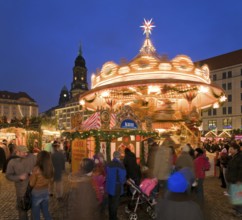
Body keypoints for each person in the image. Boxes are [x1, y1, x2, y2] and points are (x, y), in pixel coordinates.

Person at [5, 145, 36, 220]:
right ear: (17, 152)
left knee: (34, 210)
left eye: (26, 152)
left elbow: (40, 167)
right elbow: (8, 175)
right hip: (21, 191)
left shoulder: (33, 157)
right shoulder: (12, 161)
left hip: (34, 188)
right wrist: (19, 177)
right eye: (23, 152)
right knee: (22, 210)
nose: (26, 154)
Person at [29, 151, 54, 220]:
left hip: (36, 192)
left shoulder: (36, 169)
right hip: (46, 191)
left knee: (36, 214)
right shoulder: (51, 168)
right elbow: (51, 181)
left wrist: (30, 176)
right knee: (46, 212)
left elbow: (31, 183)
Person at [106, 151, 126, 220]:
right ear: (119, 156)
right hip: (116, 187)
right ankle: (113, 218)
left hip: (109, 186)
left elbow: (106, 174)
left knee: (110, 203)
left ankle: (110, 217)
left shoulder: (109, 164)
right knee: (115, 204)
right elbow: (122, 177)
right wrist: (123, 182)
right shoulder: (120, 165)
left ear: (113, 156)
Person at [225, 142, 242, 217]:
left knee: (238, 196)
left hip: (236, 180)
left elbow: (241, 170)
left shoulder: (240, 157)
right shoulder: (234, 156)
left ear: (236, 150)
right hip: (233, 179)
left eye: (231, 149)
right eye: (229, 149)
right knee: (235, 195)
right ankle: (236, 209)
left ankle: (239, 211)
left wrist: (239, 179)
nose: (229, 150)